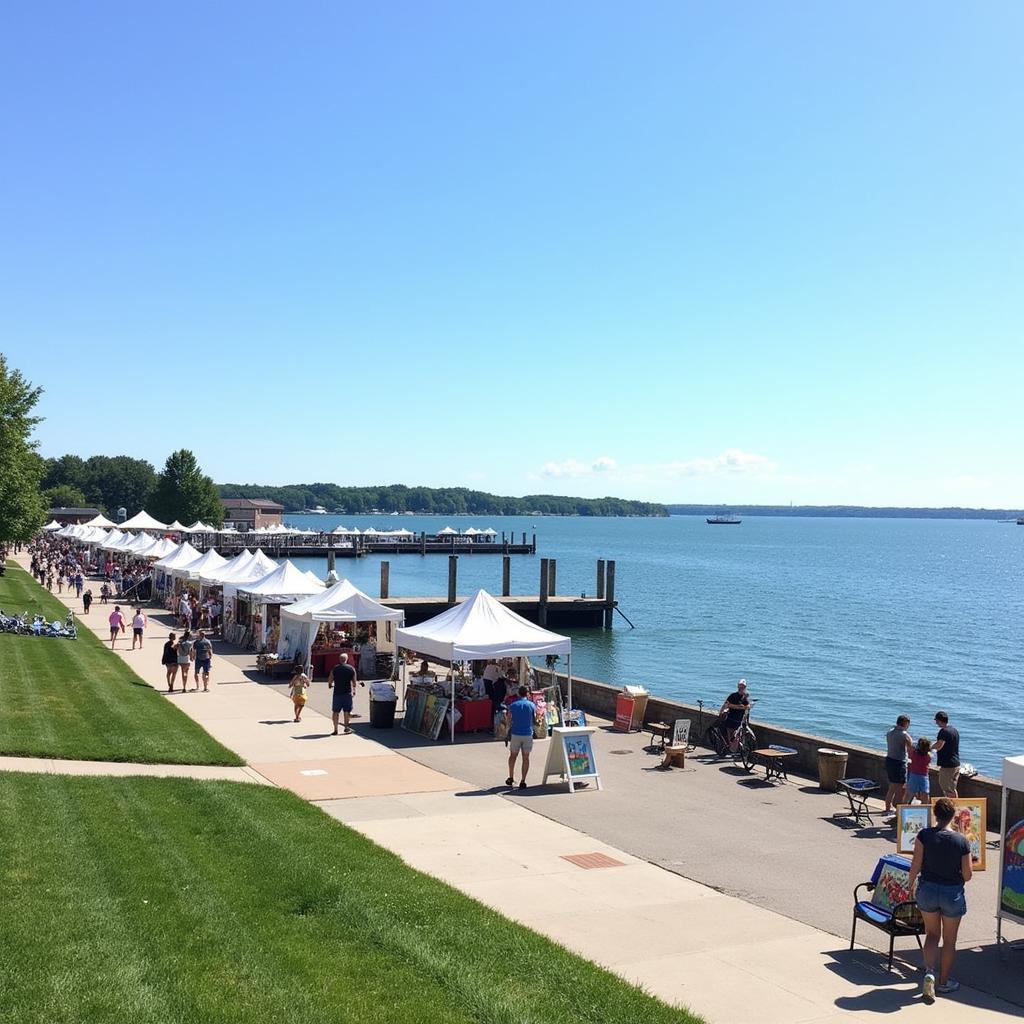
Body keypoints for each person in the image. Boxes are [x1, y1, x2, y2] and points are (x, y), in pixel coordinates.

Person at [907, 796, 972, 1002]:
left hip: (927, 889)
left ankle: (929, 973)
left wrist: (910, 885)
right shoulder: (962, 841)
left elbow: (915, 864)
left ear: (935, 815)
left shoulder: (924, 835)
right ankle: (943, 983)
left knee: (932, 934)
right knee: (949, 940)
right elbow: (968, 875)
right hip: (951, 892)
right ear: (953, 816)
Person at [505, 686, 537, 789]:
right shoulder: (531, 705)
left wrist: (508, 731)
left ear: (518, 693)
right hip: (527, 733)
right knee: (526, 757)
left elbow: (509, 720)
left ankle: (511, 777)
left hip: (516, 733)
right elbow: (535, 719)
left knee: (513, 756)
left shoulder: (513, 705)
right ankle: (523, 780)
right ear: (527, 694)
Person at [883, 714, 914, 817]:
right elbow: (911, 748)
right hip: (899, 762)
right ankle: (899, 811)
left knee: (892, 786)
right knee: (901, 789)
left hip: (889, 760)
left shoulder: (889, 732)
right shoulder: (904, 735)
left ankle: (887, 808)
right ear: (906, 723)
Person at [933, 711, 961, 797]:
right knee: (952, 789)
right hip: (956, 763)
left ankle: (949, 809)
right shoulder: (954, 730)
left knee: (946, 788)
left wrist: (929, 747)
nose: (936, 723)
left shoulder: (943, 731)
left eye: (936, 721)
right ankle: (955, 808)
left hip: (948, 765)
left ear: (939, 720)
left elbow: (939, 745)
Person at [719, 679, 749, 753]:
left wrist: (732, 706)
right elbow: (726, 704)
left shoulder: (745, 697)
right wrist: (721, 712)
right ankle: (732, 749)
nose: (741, 688)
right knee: (731, 734)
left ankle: (733, 750)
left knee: (735, 736)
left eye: (743, 687)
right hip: (731, 718)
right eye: (740, 686)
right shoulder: (734, 695)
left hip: (738, 719)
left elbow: (747, 707)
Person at [329, 657, 356, 734]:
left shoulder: (335, 668)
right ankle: (346, 728)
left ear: (339, 659)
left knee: (335, 712)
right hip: (347, 693)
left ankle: (335, 729)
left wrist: (330, 684)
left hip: (337, 693)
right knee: (347, 711)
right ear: (346, 659)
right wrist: (354, 690)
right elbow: (354, 682)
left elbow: (330, 678)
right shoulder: (351, 669)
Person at [907, 737, 933, 804]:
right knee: (925, 794)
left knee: (910, 793)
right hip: (924, 776)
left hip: (914, 775)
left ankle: (905, 806)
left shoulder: (914, 754)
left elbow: (909, 753)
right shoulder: (928, 756)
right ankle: (926, 808)